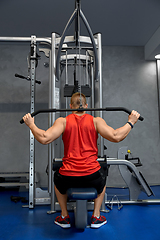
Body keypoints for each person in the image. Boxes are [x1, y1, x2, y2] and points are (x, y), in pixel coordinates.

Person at [23, 92, 140, 229]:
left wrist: (31, 124)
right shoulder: (96, 121)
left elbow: (44, 138)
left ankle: (64, 216)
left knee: (57, 180)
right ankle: (96, 217)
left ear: (70, 106)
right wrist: (131, 122)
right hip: (92, 175)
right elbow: (116, 136)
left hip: (68, 176)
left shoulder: (63, 121)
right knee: (102, 181)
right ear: (86, 106)